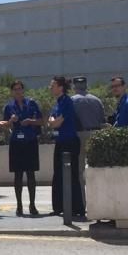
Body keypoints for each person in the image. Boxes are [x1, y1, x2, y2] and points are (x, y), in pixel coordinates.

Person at [0, 80, 42, 216]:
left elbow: (41, 121)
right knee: (18, 175)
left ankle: (32, 205)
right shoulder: (9, 107)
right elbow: (3, 125)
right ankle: (19, 205)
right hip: (16, 142)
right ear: (12, 92)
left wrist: (30, 121)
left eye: (20, 89)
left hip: (30, 141)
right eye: (15, 89)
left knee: (31, 175)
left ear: (23, 90)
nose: (18, 92)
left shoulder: (32, 103)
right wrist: (11, 121)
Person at [48, 76, 84, 218]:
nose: (51, 88)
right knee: (58, 175)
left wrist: (53, 122)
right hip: (60, 141)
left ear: (60, 87)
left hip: (69, 142)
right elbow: (50, 120)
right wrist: (52, 121)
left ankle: (76, 208)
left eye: (53, 85)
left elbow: (56, 123)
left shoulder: (67, 102)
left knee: (71, 175)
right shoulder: (57, 103)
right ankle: (59, 207)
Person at [71, 76, 105, 193]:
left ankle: (82, 203)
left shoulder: (72, 100)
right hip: (95, 134)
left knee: (79, 171)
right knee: (96, 168)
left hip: (79, 135)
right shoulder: (96, 100)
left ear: (74, 86)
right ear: (86, 85)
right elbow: (102, 120)